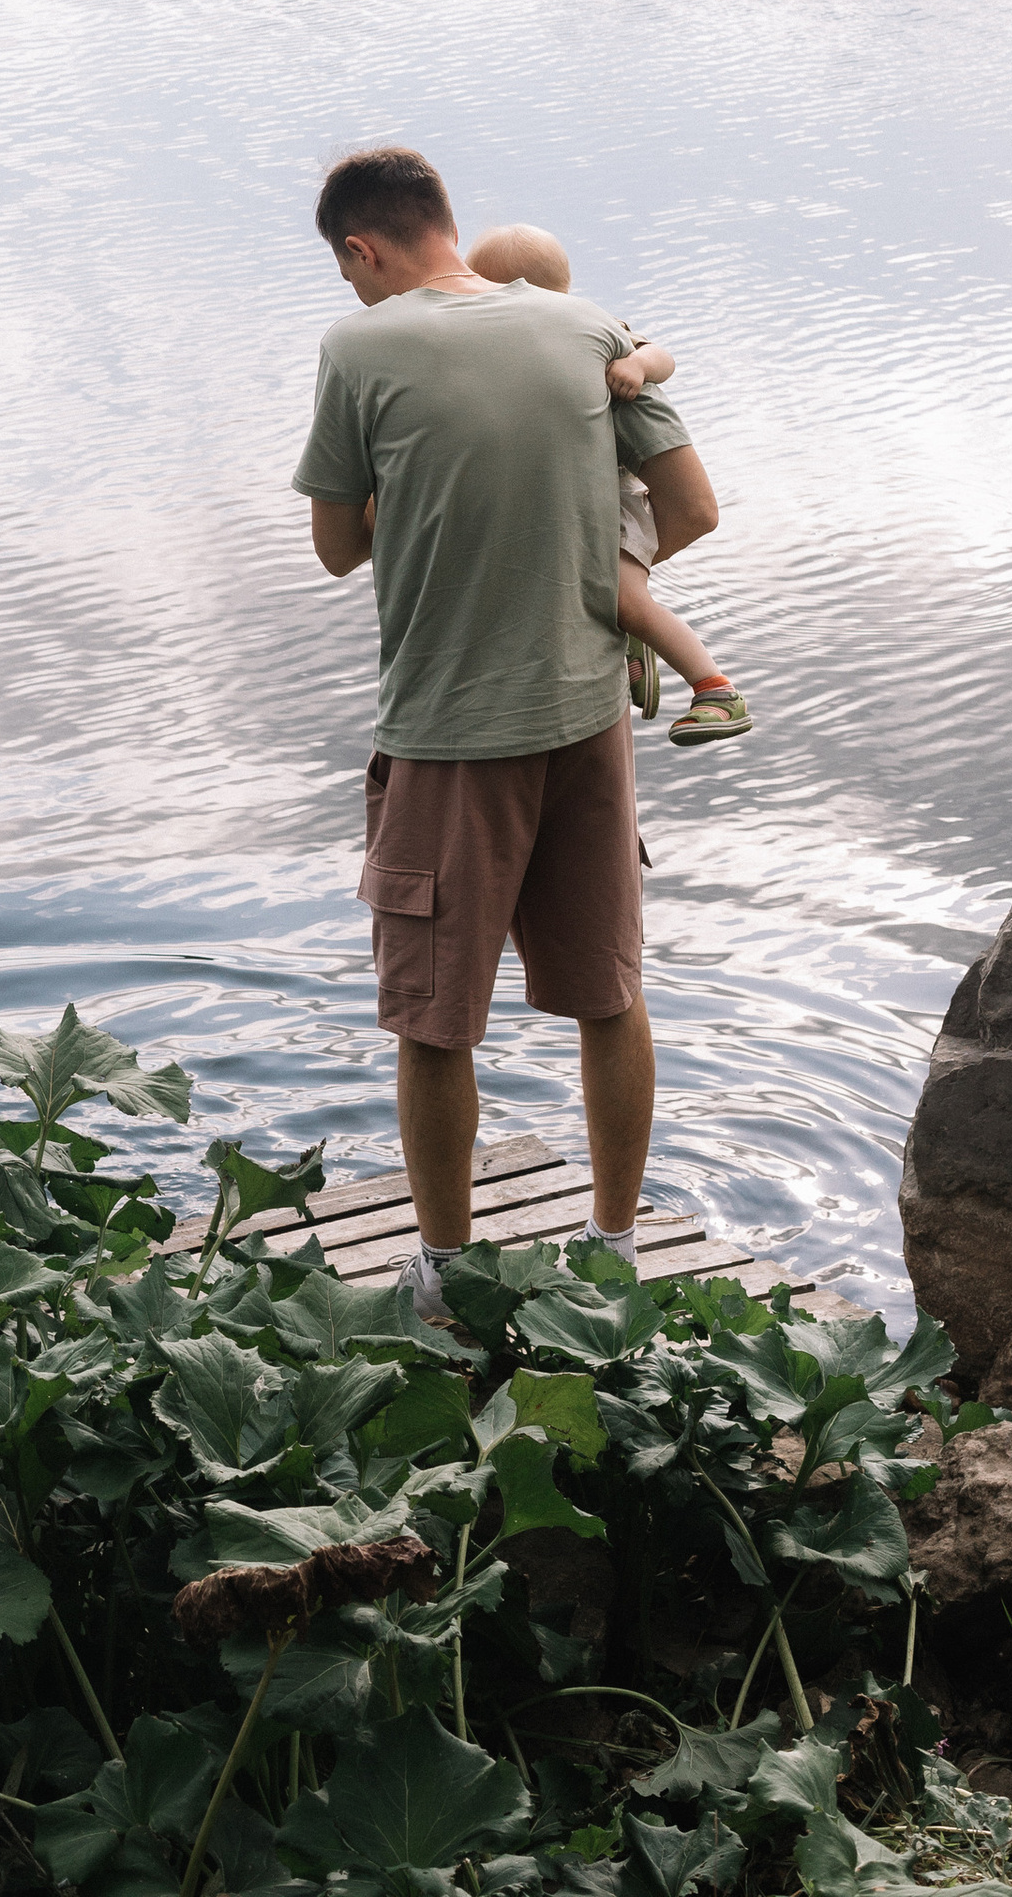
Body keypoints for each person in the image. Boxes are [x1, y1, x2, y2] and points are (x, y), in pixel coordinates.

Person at [292, 141, 722, 1317]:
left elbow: (338, 548)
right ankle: (617, 1244)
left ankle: (438, 1271)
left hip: (446, 732)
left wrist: (423, 483)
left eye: (352, 273)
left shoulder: (359, 348)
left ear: (362, 249)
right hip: (587, 720)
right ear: (447, 216)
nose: (357, 293)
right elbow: (689, 509)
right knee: (607, 992)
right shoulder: (590, 330)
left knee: (434, 1019)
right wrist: (591, 584)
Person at [463, 222, 751, 744]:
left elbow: (662, 355)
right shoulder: (497, 355)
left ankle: (716, 690)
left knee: (623, 598)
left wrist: (637, 364)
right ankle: (635, 637)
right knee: (603, 594)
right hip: (570, 501)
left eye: (488, 293)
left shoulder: (597, 334)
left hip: (616, 504)